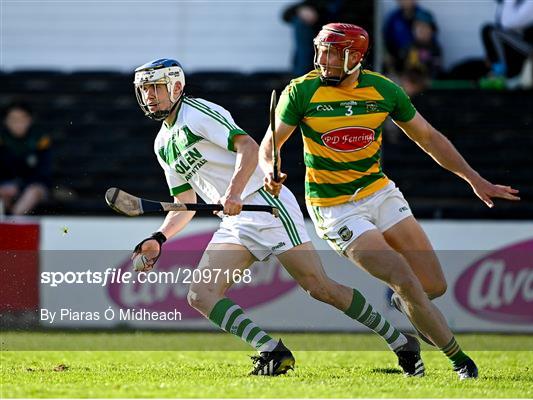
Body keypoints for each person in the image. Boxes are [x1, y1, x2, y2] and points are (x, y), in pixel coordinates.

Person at [131, 58, 425, 377]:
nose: (149, 96)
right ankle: (272, 352)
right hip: (236, 220)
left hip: (266, 205)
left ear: (175, 86)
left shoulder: (198, 113)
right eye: (144, 89)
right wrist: (159, 238)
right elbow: (184, 202)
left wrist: (232, 193)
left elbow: (247, 146)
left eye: (155, 87)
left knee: (319, 287)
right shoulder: (163, 144)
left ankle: (399, 341)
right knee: (200, 295)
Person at [259, 23, 521, 380]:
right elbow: (269, 144)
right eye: (320, 50)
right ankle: (460, 361)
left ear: (355, 57)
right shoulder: (302, 92)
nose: (322, 59)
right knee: (404, 277)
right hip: (335, 209)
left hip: (381, 193)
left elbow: (428, 137)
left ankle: (404, 303)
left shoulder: (383, 90)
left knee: (433, 286)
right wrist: (269, 172)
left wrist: (474, 179)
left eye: (332, 52)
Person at [0, 102, 52, 215]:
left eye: (22, 119)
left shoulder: (40, 140)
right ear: (6, 121)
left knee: (33, 192)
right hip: (6, 186)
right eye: (14, 120)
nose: (18, 124)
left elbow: (44, 173)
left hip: (33, 186)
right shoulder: (2, 140)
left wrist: (20, 186)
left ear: (30, 120)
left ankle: (14, 222)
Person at [481, 0, 533, 81]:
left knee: (491, 32)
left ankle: (503, 74)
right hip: (523, 44)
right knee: (490, 32)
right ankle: (498, 70)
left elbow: (507, 24)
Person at [383, 0, 439, 77]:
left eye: (424, 28)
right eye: (418, 28)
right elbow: (387, 40)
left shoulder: (423, 15)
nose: (421, 31)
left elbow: (434, 70)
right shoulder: (393, 18)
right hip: (403, 74)